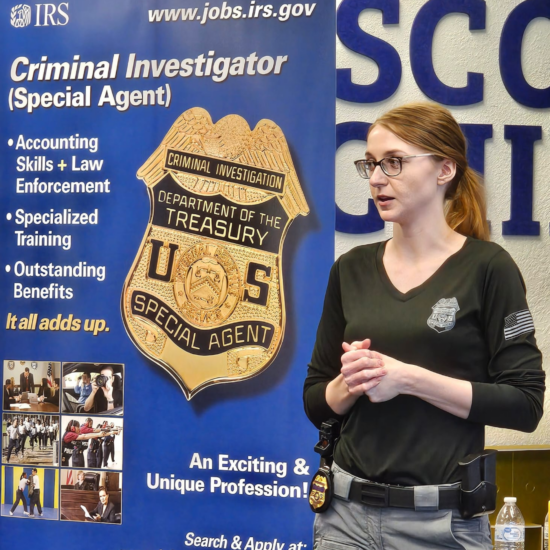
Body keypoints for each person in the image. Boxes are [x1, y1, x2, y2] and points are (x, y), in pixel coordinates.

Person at [304, 102, 546, 550]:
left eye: (393, 162)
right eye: (371, 164)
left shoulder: (488, 268)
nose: (376, 178)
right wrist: (350, 383)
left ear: (444, 170)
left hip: (441, 526)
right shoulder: (350, 269)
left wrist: (408, 379)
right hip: (344, 519)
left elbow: (525, 404)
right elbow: (316, 401)